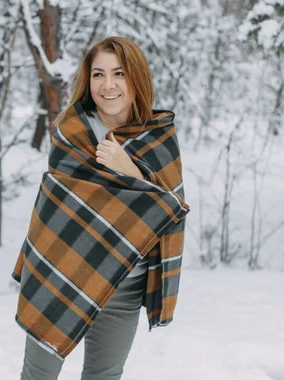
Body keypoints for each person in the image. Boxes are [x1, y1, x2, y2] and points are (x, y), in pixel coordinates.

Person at [11, 36, 190, 380]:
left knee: (104, 375)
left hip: (126, 280)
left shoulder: (160, 137)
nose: (108, 85)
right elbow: (56, 205)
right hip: (61, 273)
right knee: (38, 375)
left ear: (136, 78)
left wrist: (130, 171)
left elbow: (169, 210)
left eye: (119, 74)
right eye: (98, 75)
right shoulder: (71, 132)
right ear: (88, 80)